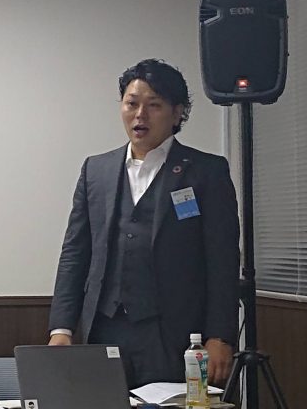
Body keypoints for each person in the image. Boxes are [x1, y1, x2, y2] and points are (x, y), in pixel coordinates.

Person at [47, 59, 240, 388]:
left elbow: (222, 259)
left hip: (173, 333)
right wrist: (61, 328)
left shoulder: (206, 171)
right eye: (132, 104)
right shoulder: (96, 170)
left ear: (177, 113)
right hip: (105, 328)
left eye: (154, 105)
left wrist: (220, 335)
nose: (140, 115)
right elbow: (75, 253)